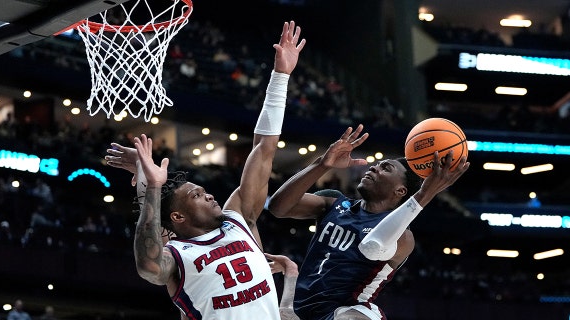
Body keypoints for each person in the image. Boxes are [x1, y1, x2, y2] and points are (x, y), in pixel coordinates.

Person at [108, 21, 306, 319]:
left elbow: (264, 150)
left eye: (202, 191)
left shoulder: (239, 220)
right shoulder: (176, 255)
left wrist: (280, 77)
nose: (210, 195)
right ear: (177, 217)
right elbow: (148, 265)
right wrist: (152, 187)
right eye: (197, 196)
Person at [267, 125, 469, 320]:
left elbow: (373, 246)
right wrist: (322, 164)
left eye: (385, 168)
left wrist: (425, 194)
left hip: (349, 310)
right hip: (303, 308)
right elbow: (278, 207)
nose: (374, 167)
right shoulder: (333, 202)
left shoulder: (403, 237)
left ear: (400, 191)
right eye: (378, 164)